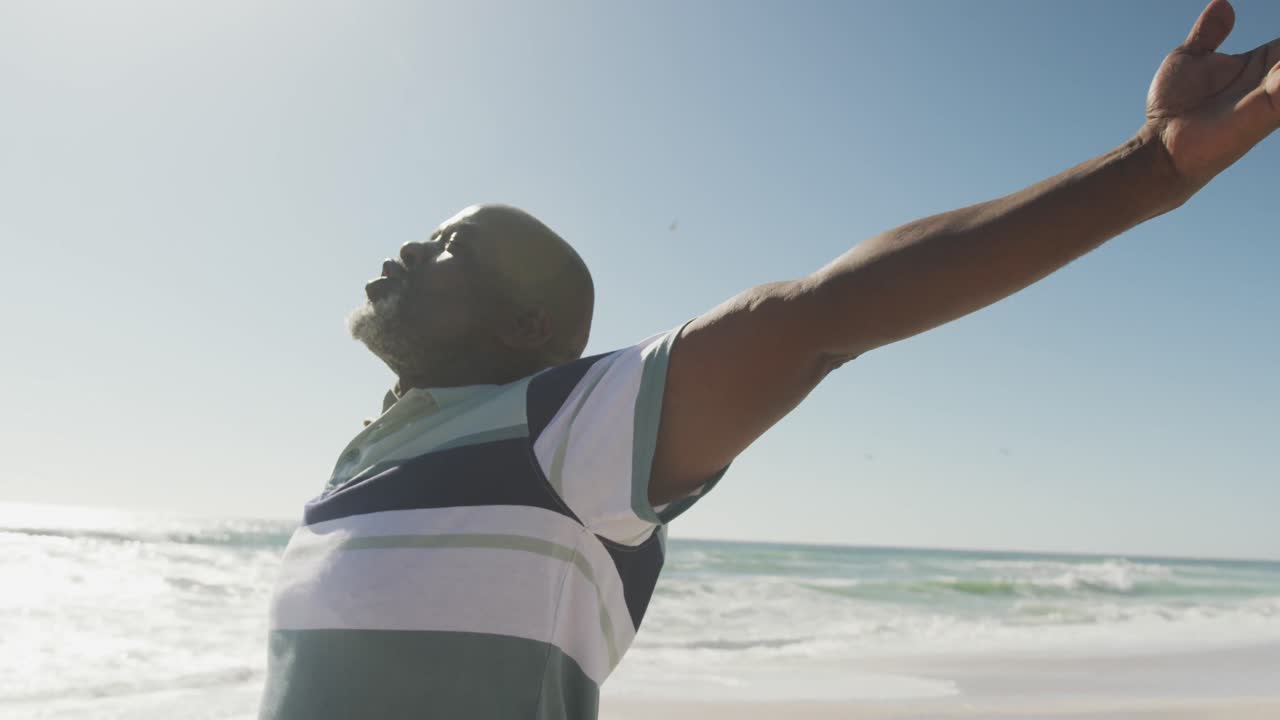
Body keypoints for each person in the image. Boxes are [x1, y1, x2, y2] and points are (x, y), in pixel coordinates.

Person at [258, 1, 1279, 717]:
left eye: (455, 249)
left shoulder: (560, 433)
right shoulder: (363, 467)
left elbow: (811, 319)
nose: (410, 250)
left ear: (530, 331)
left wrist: (1148, 170)